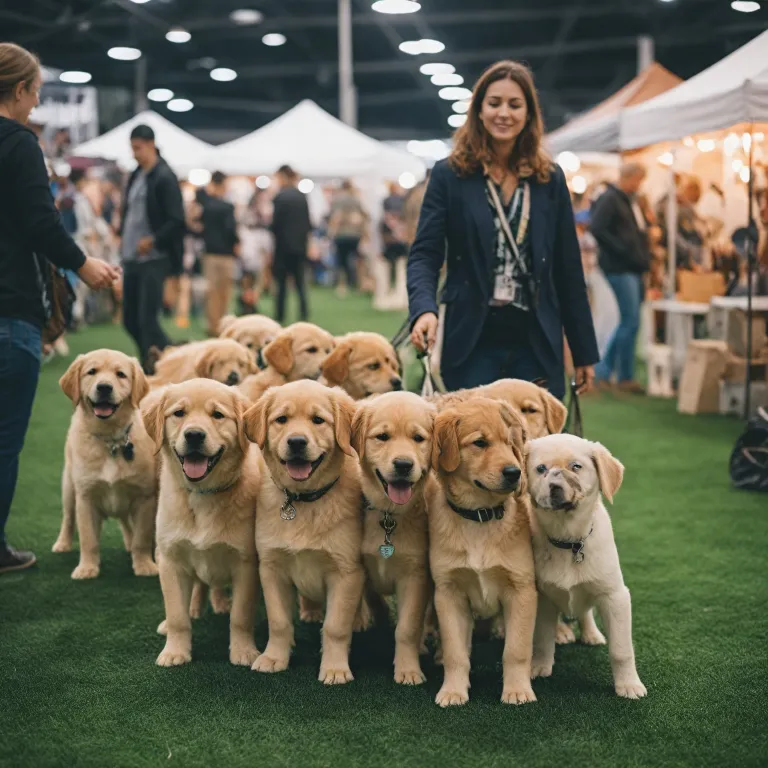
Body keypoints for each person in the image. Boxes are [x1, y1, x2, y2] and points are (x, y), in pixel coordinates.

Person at [408, 60, 598, 399]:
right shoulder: (450, 175)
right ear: (478, 110)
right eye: (494, 103)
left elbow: (568, 268)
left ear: (529, 113)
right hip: (472, 338)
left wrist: (583, 349)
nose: (504, 113)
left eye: (514, 104)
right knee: (475, 443)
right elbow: (425, 254)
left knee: (538, 447)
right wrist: (424, 309)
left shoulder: (548, 178)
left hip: (536, 337)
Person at [0, 42, 119, 574]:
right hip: (8, 312)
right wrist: (85, 265)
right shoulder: (18, 143)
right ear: (20, 90)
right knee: (4, 439)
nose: (36, 104)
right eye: (37, 93)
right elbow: (39, 222)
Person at [119, 124, 184, 371]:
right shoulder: (137, 174)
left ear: (151, 145)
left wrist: (153, 240)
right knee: (130, 320)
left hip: (154, 259)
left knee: (147, 320)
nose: (134, 153)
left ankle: (162, 362)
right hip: (132, 258)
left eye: (138, 148)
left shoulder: (165, 176)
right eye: (132, 148)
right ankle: (160, 358)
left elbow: (177, 220)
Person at [589, 163, 651, 393]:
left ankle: (609, 372)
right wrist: (622, 250)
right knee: (630, 320)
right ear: (628, 177)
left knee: (629, 321)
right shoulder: (611, 199)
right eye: (637, 180)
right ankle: (618, 374)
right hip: (620, 267)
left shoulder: (628, 200)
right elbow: (597, 228)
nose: (639, 185)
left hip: (630, 267)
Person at [270, 165, 312, 323]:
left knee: (281, 285)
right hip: (300, 246)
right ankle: (304, 313)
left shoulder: (280, 197)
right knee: (301, 283)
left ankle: (280, 315)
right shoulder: (302, 197)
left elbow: (275, 225)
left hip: (282, 247)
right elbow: (308, 224)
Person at [200, 171, 239, 335]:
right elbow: (230, 229)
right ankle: (223, 325)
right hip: (225, 254)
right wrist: (236, 243)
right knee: (224, 291)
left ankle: (212, 325)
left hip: (209, 253)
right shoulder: (227, 207)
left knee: (211, 292)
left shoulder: (206, 206)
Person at [328, 179, 368, 294]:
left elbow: (335, 217)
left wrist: (331, 233)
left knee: (341, 261)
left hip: (341, 234)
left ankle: (342, 286)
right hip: (355, 234)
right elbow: (364, 216)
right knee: (358, 260)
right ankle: (360, 284)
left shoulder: (337, 200)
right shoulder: (356, 200)